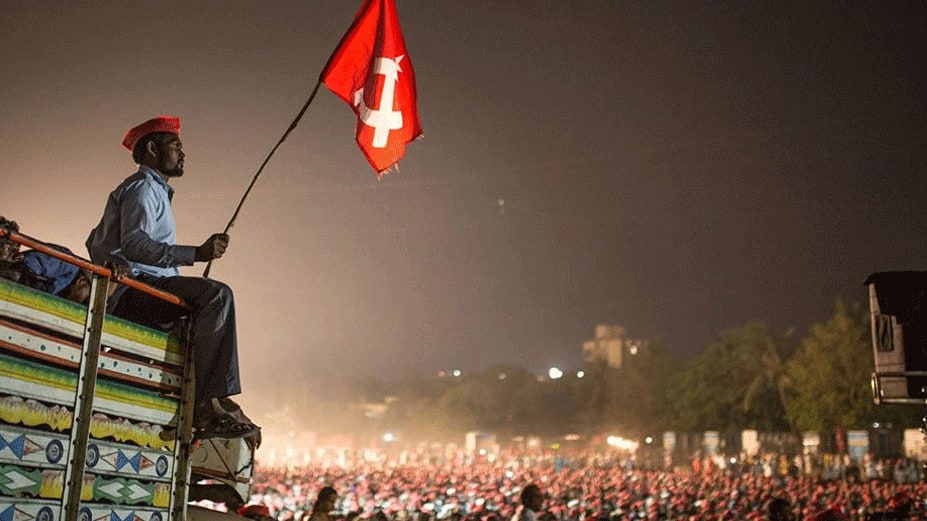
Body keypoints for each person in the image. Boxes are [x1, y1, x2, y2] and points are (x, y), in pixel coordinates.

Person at [86, 115, 258, 440]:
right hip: (137, 291)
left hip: (147, 287)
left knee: (208, 308)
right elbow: (135, 245)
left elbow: (96, 240)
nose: (183, 153)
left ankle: (213, 402)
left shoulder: (151, 191)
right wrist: (197, 254)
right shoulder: (141, 189)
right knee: (216, 296)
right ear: (152, 148)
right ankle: (208, 405)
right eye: (176, 145)